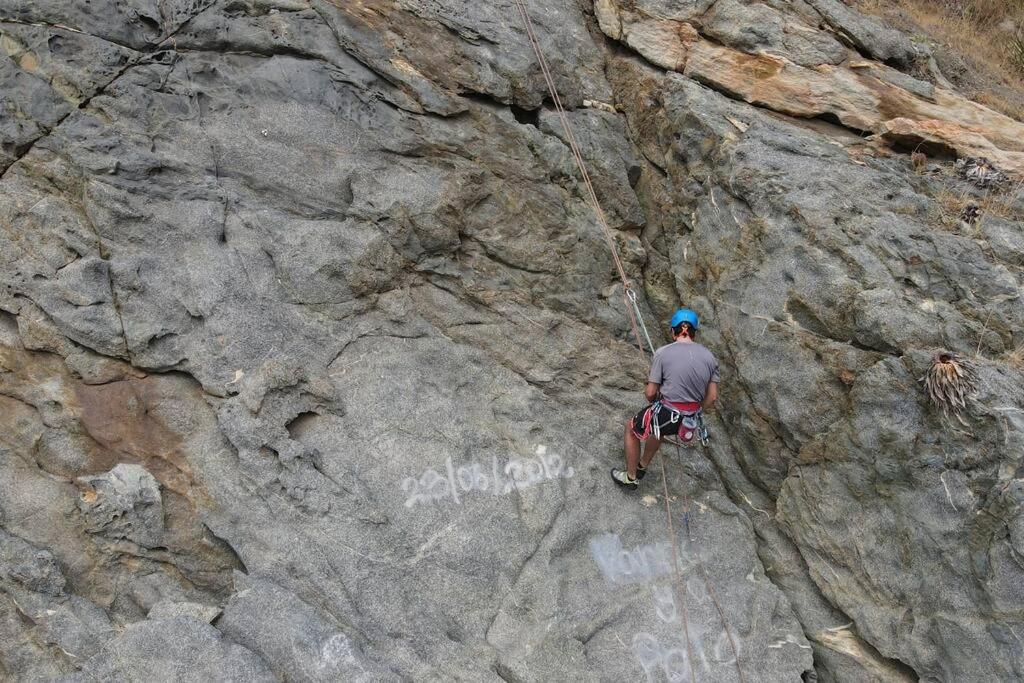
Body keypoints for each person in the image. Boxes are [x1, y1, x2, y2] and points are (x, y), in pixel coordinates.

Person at [611, 308, 719, 488]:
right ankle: (642, 466)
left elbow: (650, 393)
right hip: (689, 421)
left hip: (667, 414)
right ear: (695, 333)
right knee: (658, 430)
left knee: (631, 428)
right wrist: (696, 409)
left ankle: (630, 477)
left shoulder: (663, 353)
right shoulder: (710, 357)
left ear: (673, 331)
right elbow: (712, 398)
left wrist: (657, 398)